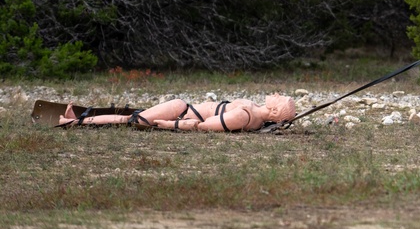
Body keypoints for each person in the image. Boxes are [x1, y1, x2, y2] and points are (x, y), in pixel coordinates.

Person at [58, 94, 296, 132]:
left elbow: (205, 126)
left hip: (182, 113)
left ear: (275, 109)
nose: (275, 93)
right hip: (184, 110)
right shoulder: (255, 116)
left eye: (279, 97)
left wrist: (168, 124)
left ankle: (73, 121)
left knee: (130, 119)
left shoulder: (245, 116)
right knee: (134, 114)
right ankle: (78, 118)